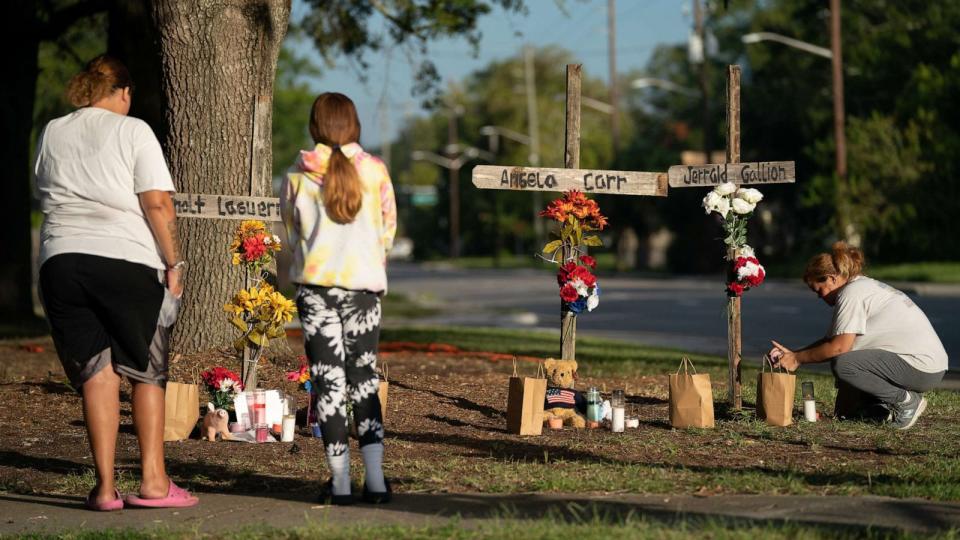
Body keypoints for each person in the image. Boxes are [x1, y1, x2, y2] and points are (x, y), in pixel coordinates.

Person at [34, 55, 198, 510]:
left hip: (60, 261)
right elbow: (158, 204)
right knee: (146, 370)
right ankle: (153, 482)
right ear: (123, 92)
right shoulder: (134, 130)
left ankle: (105, 488)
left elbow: (42, 190)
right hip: (125, 258)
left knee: (96, 373)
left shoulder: (52, 131)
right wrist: (174, 264)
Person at [281, 92, 397, 505]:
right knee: (363, 381)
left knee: (328, 385)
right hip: (363, 290)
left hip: (316, 292)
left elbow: (292, 239)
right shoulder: (376, 172)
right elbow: (387, 234)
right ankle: (378, 482)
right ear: (354, 124)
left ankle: (341, 482)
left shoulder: (296, 177)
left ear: (315, 126)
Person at [769, 242, 947, 430]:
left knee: (844, 363)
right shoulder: (858, 287)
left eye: (818, 290)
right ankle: (877, 407)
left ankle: (906, 401)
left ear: (831, 278)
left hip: (921, 368)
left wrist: (798, 358)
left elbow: (838, 348)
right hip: (927, 366)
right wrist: (794, 355)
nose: (819, 297)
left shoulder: (852, 293)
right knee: (847, 367)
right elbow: (830, 342)